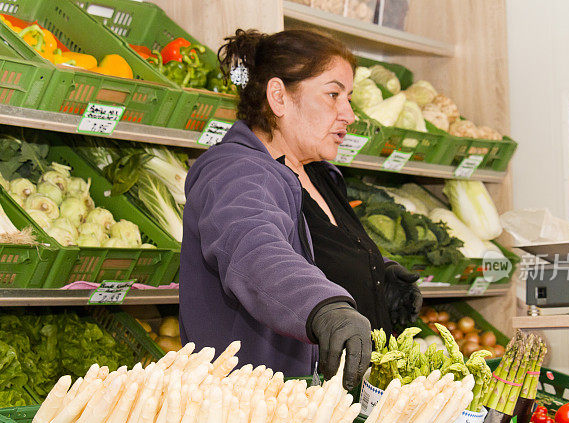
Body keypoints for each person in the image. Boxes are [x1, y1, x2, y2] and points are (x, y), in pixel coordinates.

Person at [179, 28, 422, 389]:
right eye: (333, 95)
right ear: (279, 97)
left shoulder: (319, 173)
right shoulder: (235, 172)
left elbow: (314, 252)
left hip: (326, 406)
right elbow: (255, 250)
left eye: (349, 98)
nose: (349, 114)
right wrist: (323, 308)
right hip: (256, 409)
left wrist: (378, 276)